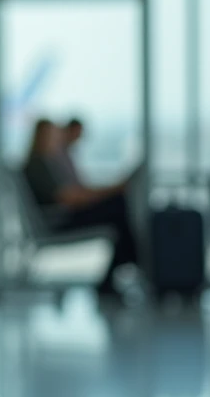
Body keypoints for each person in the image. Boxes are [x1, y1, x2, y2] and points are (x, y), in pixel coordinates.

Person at [22, 118, 140, 299]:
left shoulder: (50, 162)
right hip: (58, 221)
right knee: (117, 208)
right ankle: (132, 260)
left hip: (63, 216)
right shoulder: (39, 165)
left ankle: (126, 263)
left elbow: (77, 192)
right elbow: (69, 197)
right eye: (53, 135)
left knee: (118, 214)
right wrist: (112, 190)